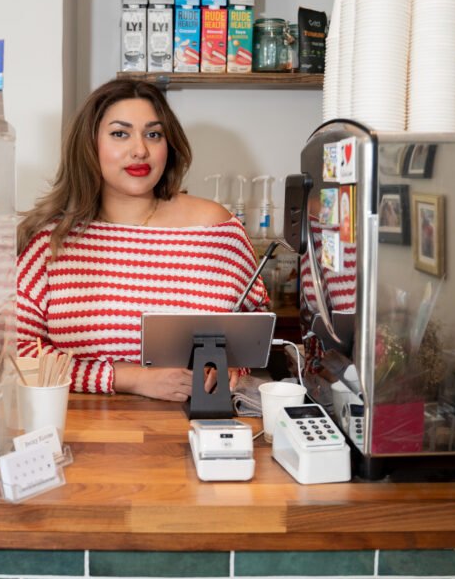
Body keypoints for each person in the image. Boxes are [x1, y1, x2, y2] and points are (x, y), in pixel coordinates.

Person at [16, 79, 268, 402]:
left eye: (153, 134)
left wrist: (233, 365)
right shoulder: (49, 240)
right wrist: (129, 378)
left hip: (196, 436)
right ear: (90, 145)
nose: (140, 150)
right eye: (120, 133)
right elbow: (19, 354)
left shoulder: (217, 230)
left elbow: (254, 325)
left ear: (169, 145)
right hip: (83, 435)